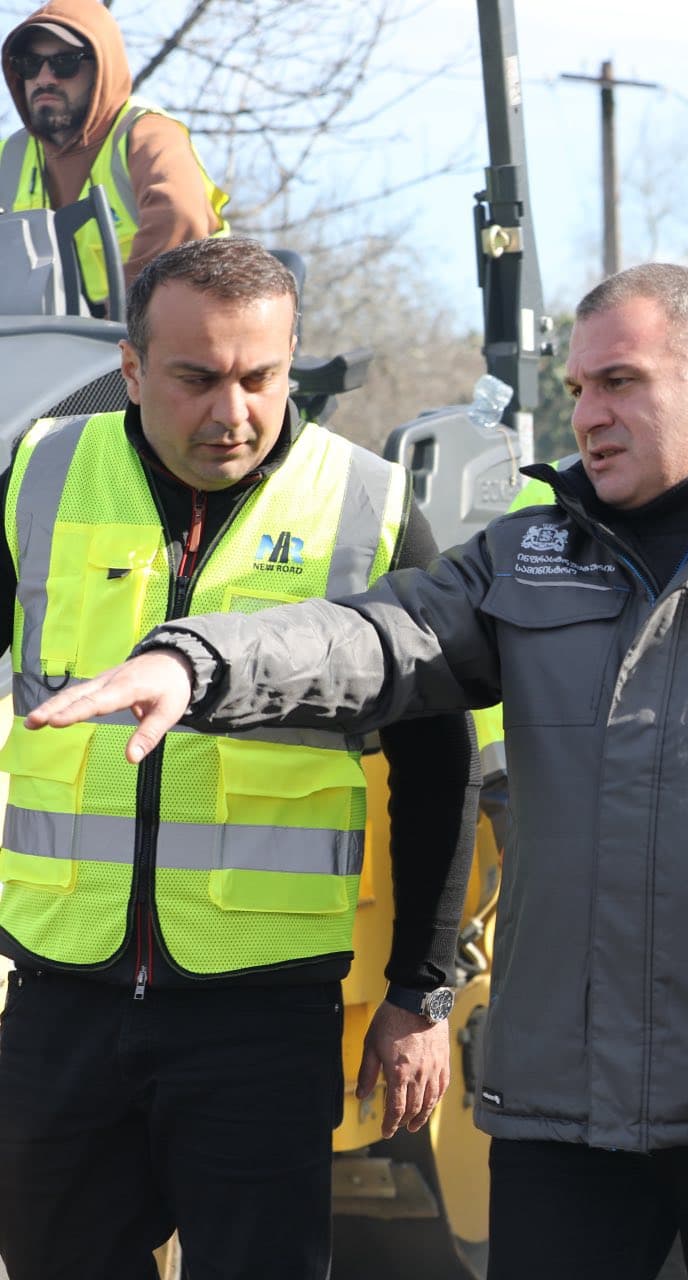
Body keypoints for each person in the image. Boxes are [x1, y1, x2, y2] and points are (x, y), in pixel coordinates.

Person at [29, 262, 688, 1280]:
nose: (588, 414)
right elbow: (376, 637)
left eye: (620, 381)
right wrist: (198, 660)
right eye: (577, 389)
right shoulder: (528, 558)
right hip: (554, 1112)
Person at [0, 236, 475, 1279]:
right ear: (131, 369)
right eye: (197, 378)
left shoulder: (368, 507)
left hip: (260, 1013)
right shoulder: (39, 475)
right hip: (59, 996)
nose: (233, 412)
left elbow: (439, 771)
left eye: (260, 376)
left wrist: (418, 991)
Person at [0, 0, 229, 308]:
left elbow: (180, 216)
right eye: (28, 64)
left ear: (102, 69)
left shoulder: (145, 134)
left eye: (64, 62)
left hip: (185, 330)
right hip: (58, 344)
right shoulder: (11, 155)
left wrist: (124, 311)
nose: (44, 78)